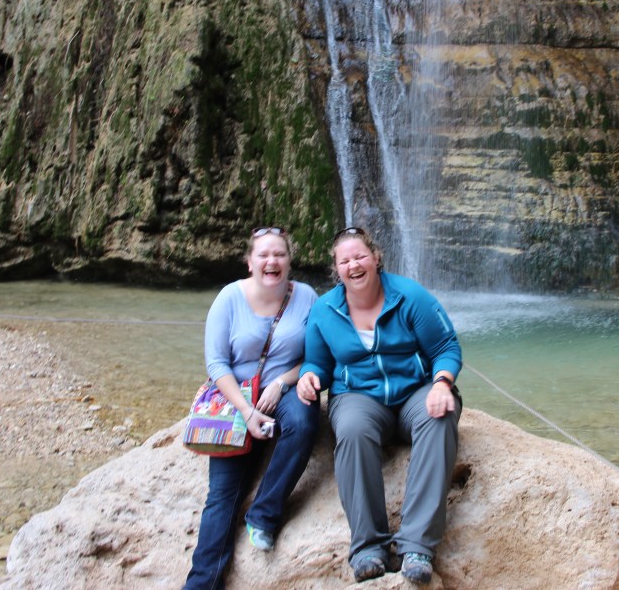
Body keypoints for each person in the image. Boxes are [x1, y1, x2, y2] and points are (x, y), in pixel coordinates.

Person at [296, 226, 462, 585]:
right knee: (353, 430)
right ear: (336, 269)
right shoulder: (325, 310)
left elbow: (446, 348)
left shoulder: (410, 296)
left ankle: (417, 546)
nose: (354, 265)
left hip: (415, 391)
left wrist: (441, 383)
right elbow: (316, 363)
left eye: (360, 257)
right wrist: (309, 378)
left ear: (375, 258)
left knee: (440, 416)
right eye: (345, 261)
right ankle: (368, 547)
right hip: (359, 396)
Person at [184, 227, 319, 590]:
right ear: (249, 262)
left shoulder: (306, 296)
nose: (271, 261)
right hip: (235, 399)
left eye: (279, 254)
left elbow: (315, 356)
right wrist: (246, 410)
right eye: (263, 255)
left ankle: (264, 514)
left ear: (290, 261)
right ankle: (201, 584)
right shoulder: (229, 298)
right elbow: (216, 364)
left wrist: (280, 384)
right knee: (222, 497)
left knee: (305, 420)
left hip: (283, 391)